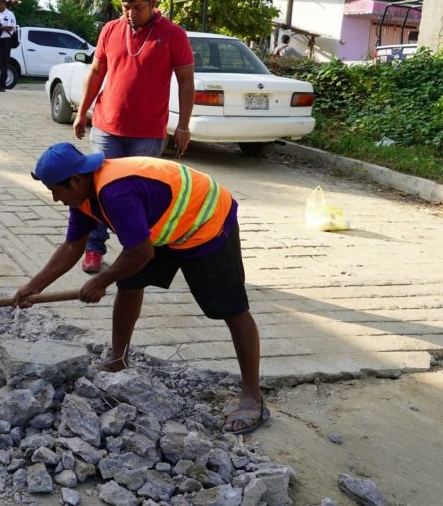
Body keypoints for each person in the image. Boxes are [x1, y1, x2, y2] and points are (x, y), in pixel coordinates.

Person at [14, 142, 266, 435]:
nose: (56, 198)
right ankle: (118, 360)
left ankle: (252, 395)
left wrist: (99, 281)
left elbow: (141, 253)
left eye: (56, 190)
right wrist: (34, 287)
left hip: (204, 222)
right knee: (130, 282)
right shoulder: (83, 196)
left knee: (230, 308)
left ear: (76, 180)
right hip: (160, 226)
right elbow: (73, 245)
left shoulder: (115, 191)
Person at [72, 0, 195, 273]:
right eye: (125, 7)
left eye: (137, 7)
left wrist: (184, 125)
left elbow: (186, 81)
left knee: (138, 194)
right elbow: (96, 73)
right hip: (106, 126)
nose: (130, 14)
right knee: (99, 190)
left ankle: (137, 254)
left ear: (153, 2)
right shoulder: (111, 30)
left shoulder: (173, 34)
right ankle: (93, 248)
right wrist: (81, 112)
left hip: (148, 133)